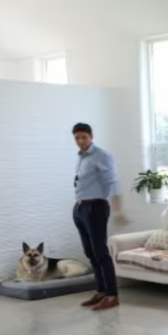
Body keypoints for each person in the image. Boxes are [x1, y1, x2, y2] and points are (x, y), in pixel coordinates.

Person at [72, 122, 126, 311]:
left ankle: (112, 295)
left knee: (101, 252)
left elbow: (113, 183)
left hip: (96, 208)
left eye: (84, 137)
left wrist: (118, 210)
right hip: (80, 208)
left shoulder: (101, 156)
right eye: (77, 138)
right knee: (90, 252)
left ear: (91, 137)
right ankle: (101, 291)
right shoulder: (81, 157)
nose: (80, 141)